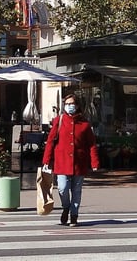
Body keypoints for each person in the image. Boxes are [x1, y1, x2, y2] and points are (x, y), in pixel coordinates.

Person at [42, 93, 100, 227]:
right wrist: (46, 160)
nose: (69, 106)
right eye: (67, 104)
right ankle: (66, 207)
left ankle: (74, 215)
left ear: (77, 105)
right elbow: (50, 141)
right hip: (62, 162)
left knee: (76, 191)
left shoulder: (84, 124)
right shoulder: (59, 120)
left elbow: (91, 144)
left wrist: (94, 162)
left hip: (79, 163)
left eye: (72, 104)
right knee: (62, 188)